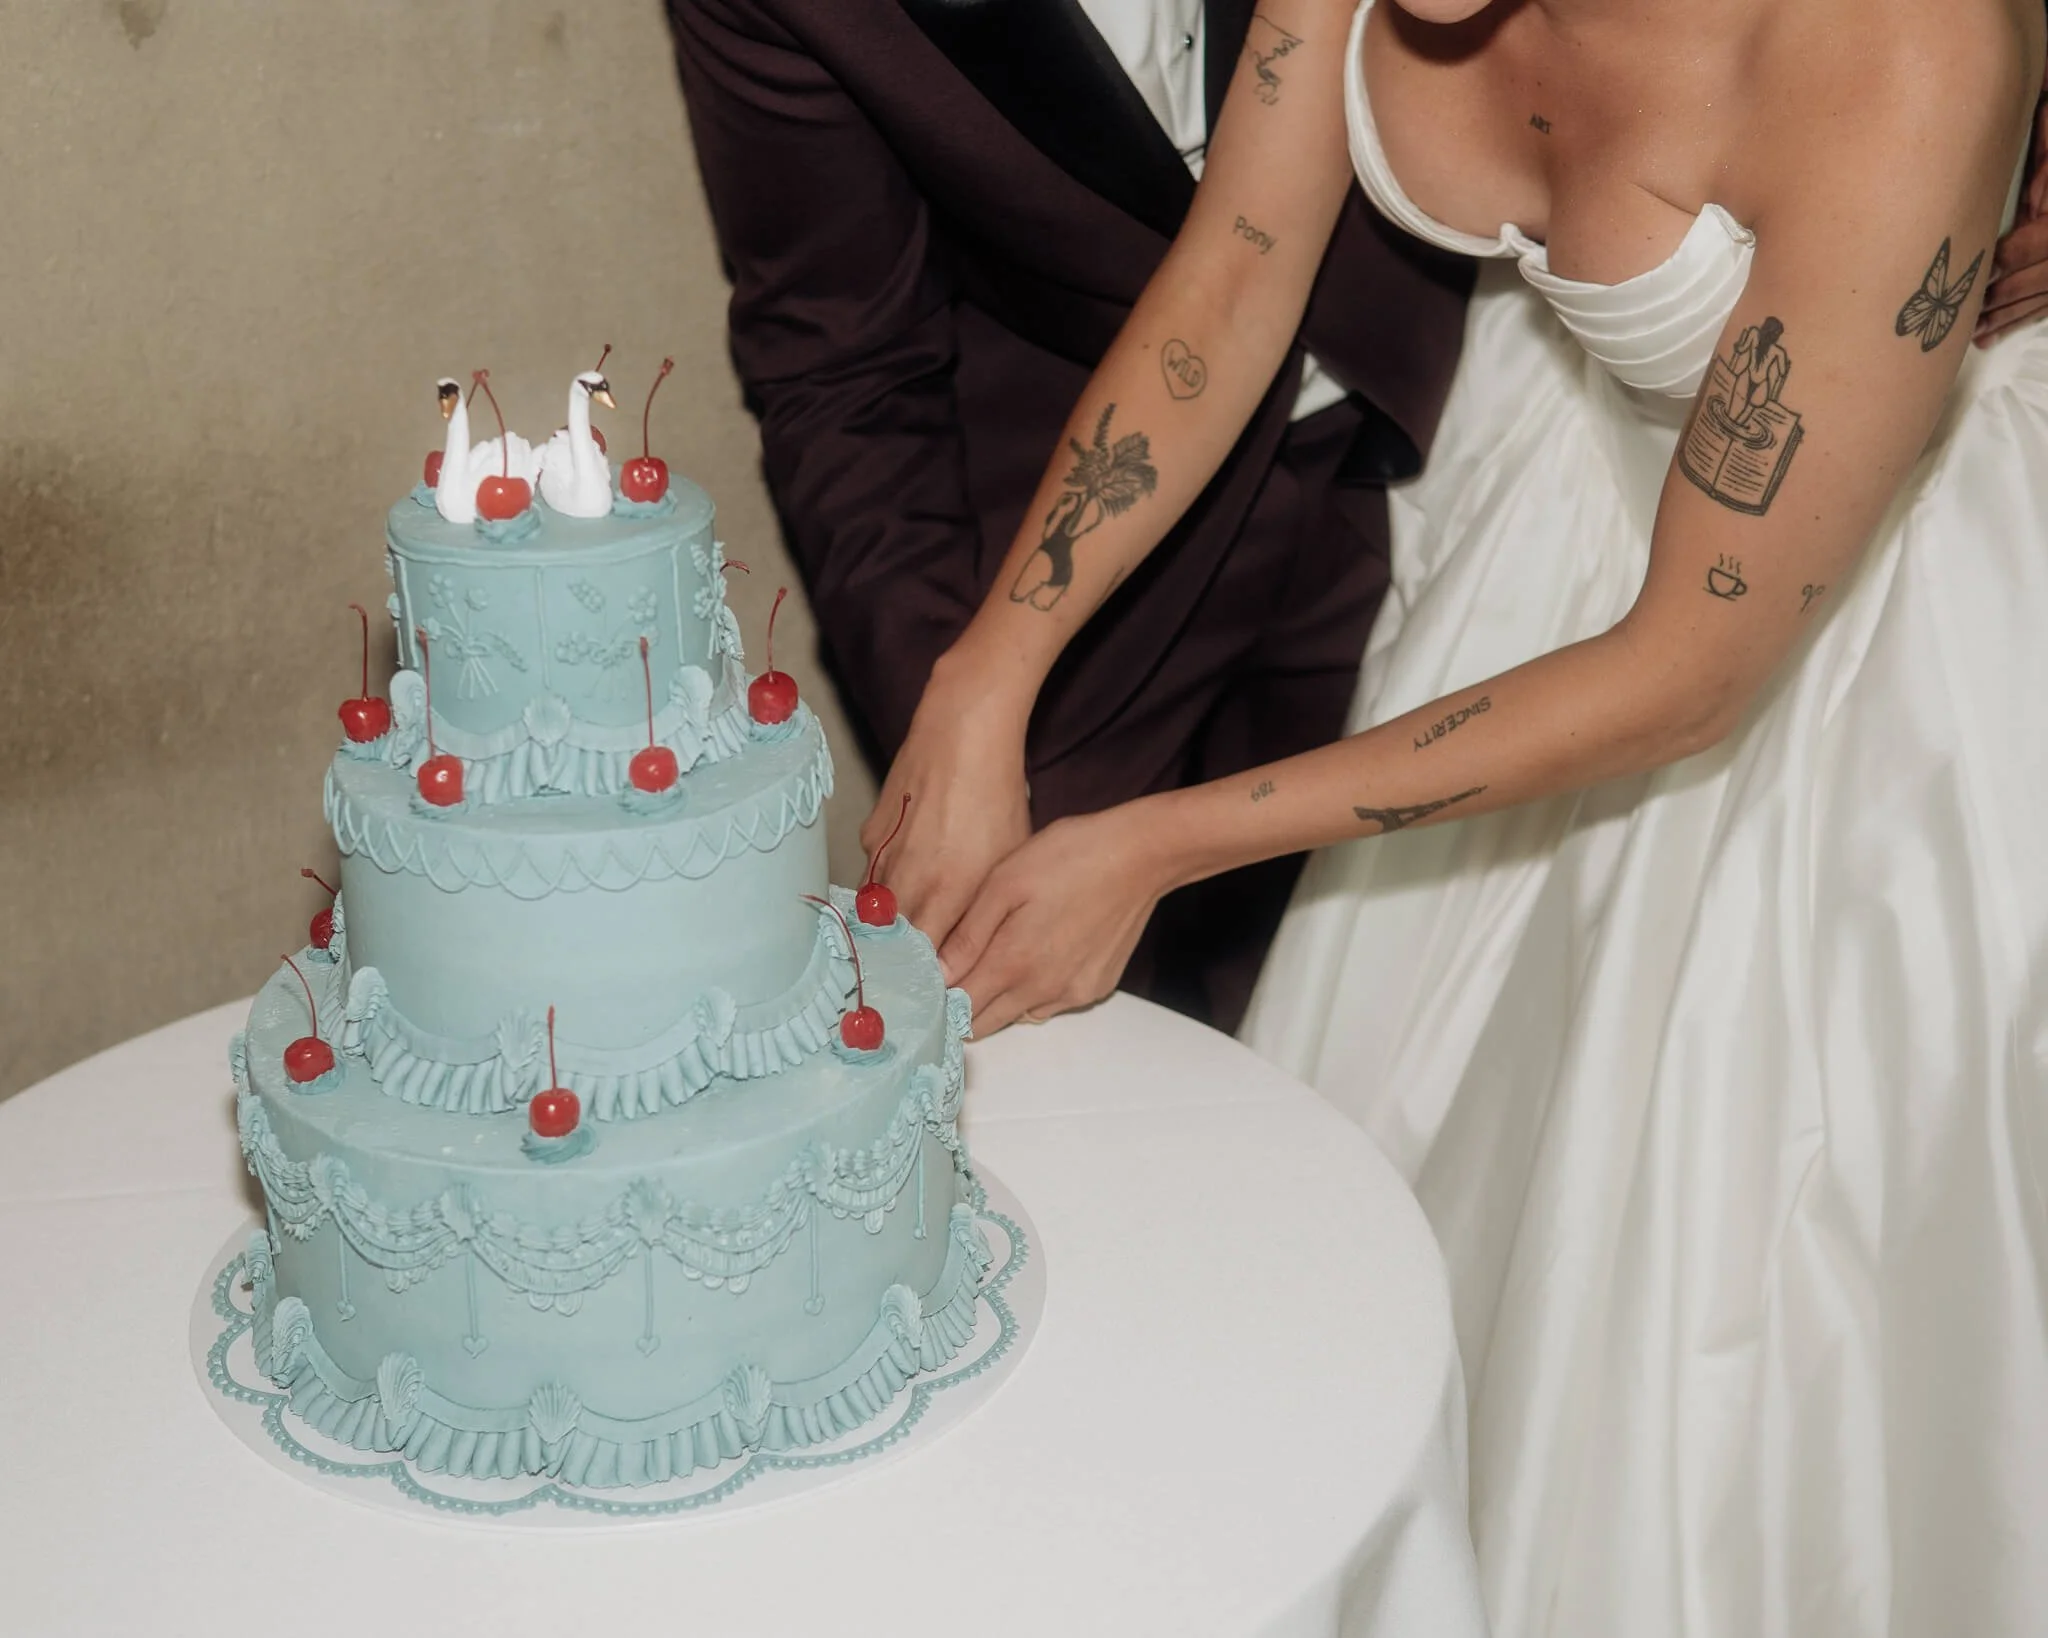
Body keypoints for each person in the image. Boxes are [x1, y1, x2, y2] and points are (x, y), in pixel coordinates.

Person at [871, 0, 2048, 1629]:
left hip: (1843, 642)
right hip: (1578, 539)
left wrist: (1155, 836)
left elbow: (1692, 673)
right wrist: (986, 668)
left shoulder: (1898, 47)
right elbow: (1229, 283)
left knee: (1707, 1297)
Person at [666, 0, 1472, 1032]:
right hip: (1075, 530)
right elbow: (840, 360)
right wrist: (955, 699)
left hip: (1425, 438)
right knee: (1029, 1013)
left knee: (1380, 1009)